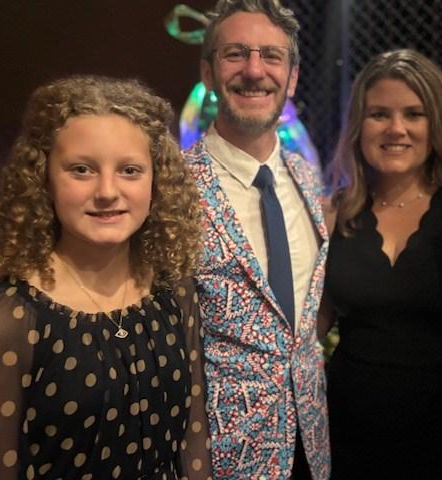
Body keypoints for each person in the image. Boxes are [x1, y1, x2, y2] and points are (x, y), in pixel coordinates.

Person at [0, 75, 212, 479]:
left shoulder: (174, 291)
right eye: (81, 169)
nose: (107, 191)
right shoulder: (11, 318)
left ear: (157, 180)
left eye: (130, 170)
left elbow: (193, 441)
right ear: (43, 178)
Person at [321, 48, 442, 478]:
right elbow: (312, 327)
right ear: (358, 126)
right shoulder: (333, 214)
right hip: (346, 431)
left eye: (414, 114)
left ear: (437, 124)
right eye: (379, 114)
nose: (396, 129)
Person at [184, 0, 329, 478]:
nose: (253, 70)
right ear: (208, 73)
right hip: (217, 459)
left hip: (311, 447)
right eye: (235, 54)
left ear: (292, 76)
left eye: (271, 55)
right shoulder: (171, 189)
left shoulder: (308, 179)